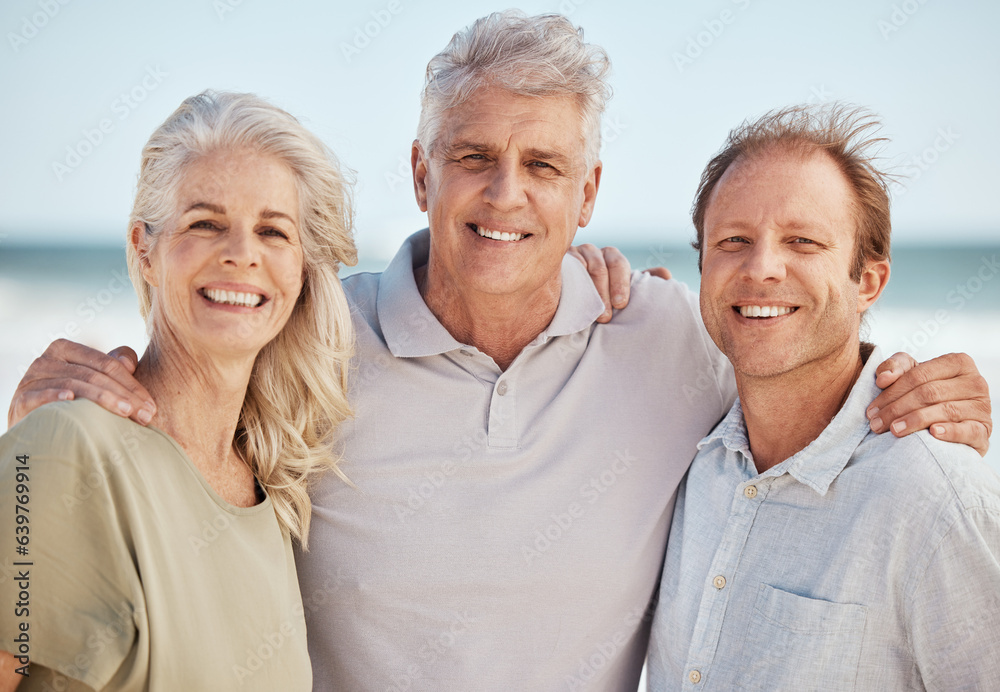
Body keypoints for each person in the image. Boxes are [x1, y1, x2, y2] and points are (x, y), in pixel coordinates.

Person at [7, 12, 992, 691]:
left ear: (589, 194)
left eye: (543, 165)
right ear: (420, 168)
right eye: (474, 156)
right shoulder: (306, 338)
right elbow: (188, 384)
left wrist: (918, 388)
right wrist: (64, 401)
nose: (505, 195)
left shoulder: (664, 339)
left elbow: (788, 352)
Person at [0, 90, 358, 690]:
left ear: (301, 268)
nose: (242, 255)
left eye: (272, 231)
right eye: (205, 223)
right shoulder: (68, 448)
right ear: (145, 249)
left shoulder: (274, 494)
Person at [647, 105, 1000, 690]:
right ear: (703, 265)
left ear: (868, 282)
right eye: (733, 240)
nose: (761, 269)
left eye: (803, 241)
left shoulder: (934, 497)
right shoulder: (684, 446)